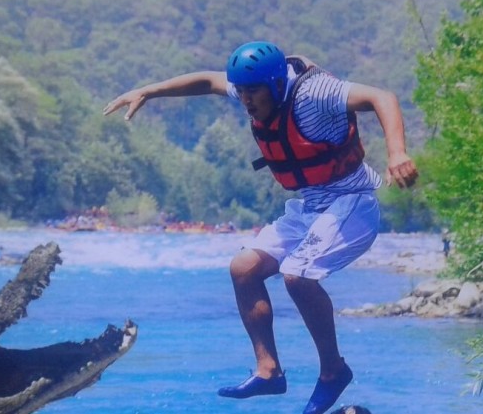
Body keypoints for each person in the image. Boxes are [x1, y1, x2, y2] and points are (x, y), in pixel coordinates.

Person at [104, 41, 418, 414]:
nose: (246, 100)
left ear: (276, 84)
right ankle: (269, 371)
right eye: (241, 92)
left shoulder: (315, 93)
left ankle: (333, 370)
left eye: (253, 92)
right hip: (311, 207)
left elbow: (383, 97)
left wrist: (397, 152)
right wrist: (148, 91)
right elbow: (206, 81)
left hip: (352, 202)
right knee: (243, 268)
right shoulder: (252, 86)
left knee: (297, 275)